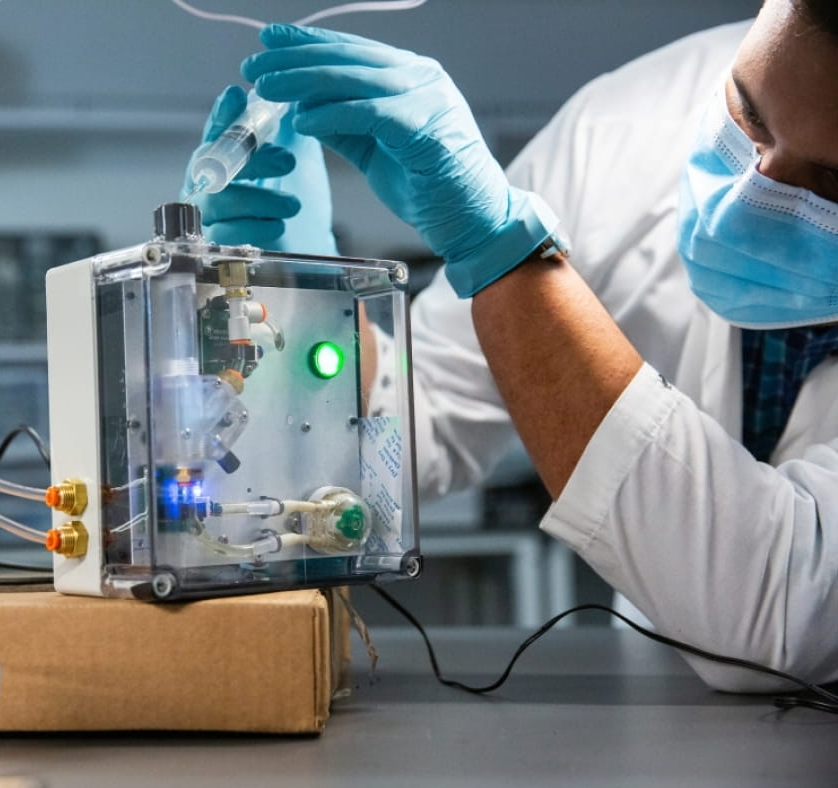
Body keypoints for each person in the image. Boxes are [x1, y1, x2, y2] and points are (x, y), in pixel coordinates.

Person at [186, 0, 838, 692]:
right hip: (651, 695)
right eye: (748, 119)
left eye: (830, 183)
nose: (751, 191)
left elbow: (781, 615)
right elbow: (421, 418)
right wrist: (312, 299)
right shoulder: (627, 129)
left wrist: (504, 256)